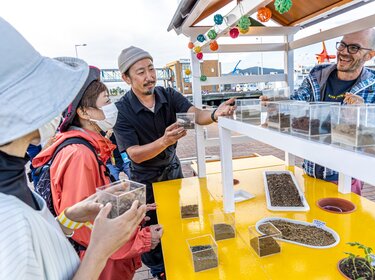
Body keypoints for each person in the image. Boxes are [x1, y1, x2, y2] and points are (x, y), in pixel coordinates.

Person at [0, 17, 147, 279]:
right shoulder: (8, 221)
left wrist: (69, 218)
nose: (55, 106)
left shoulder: (13, 182)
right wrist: (101, 250)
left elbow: (43, 248)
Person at [113, 46, 236, 278]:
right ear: (125, 78)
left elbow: (195, 114)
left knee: (179, 221)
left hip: (173, 171)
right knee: (152, 232)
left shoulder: (168, 95)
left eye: (151, 69)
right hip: (145, 180)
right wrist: (164, 141)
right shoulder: (122, 110)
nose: (149, 77)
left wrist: (214, 114)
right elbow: (134, 154)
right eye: (140, 72)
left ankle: (180, 267)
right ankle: (159, 272)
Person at [32, 69, 163, 280]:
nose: (112, 107)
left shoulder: (85, 147)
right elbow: (85, 228)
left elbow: (93, 204)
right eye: (106, 101)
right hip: (100, 269)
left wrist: (128, 207)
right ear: (84, 112)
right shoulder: (79, 155)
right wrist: (141, 239)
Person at [288, 28, 375, 194]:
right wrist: (272, 102)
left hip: (346, 177)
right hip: (311, 169)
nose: (344, 52)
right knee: (311, 218)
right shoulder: (317, 74)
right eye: (342, 45)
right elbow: (296, 100)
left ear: (369, 55)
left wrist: (363, 113)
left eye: (354, 48)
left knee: (343, 219)